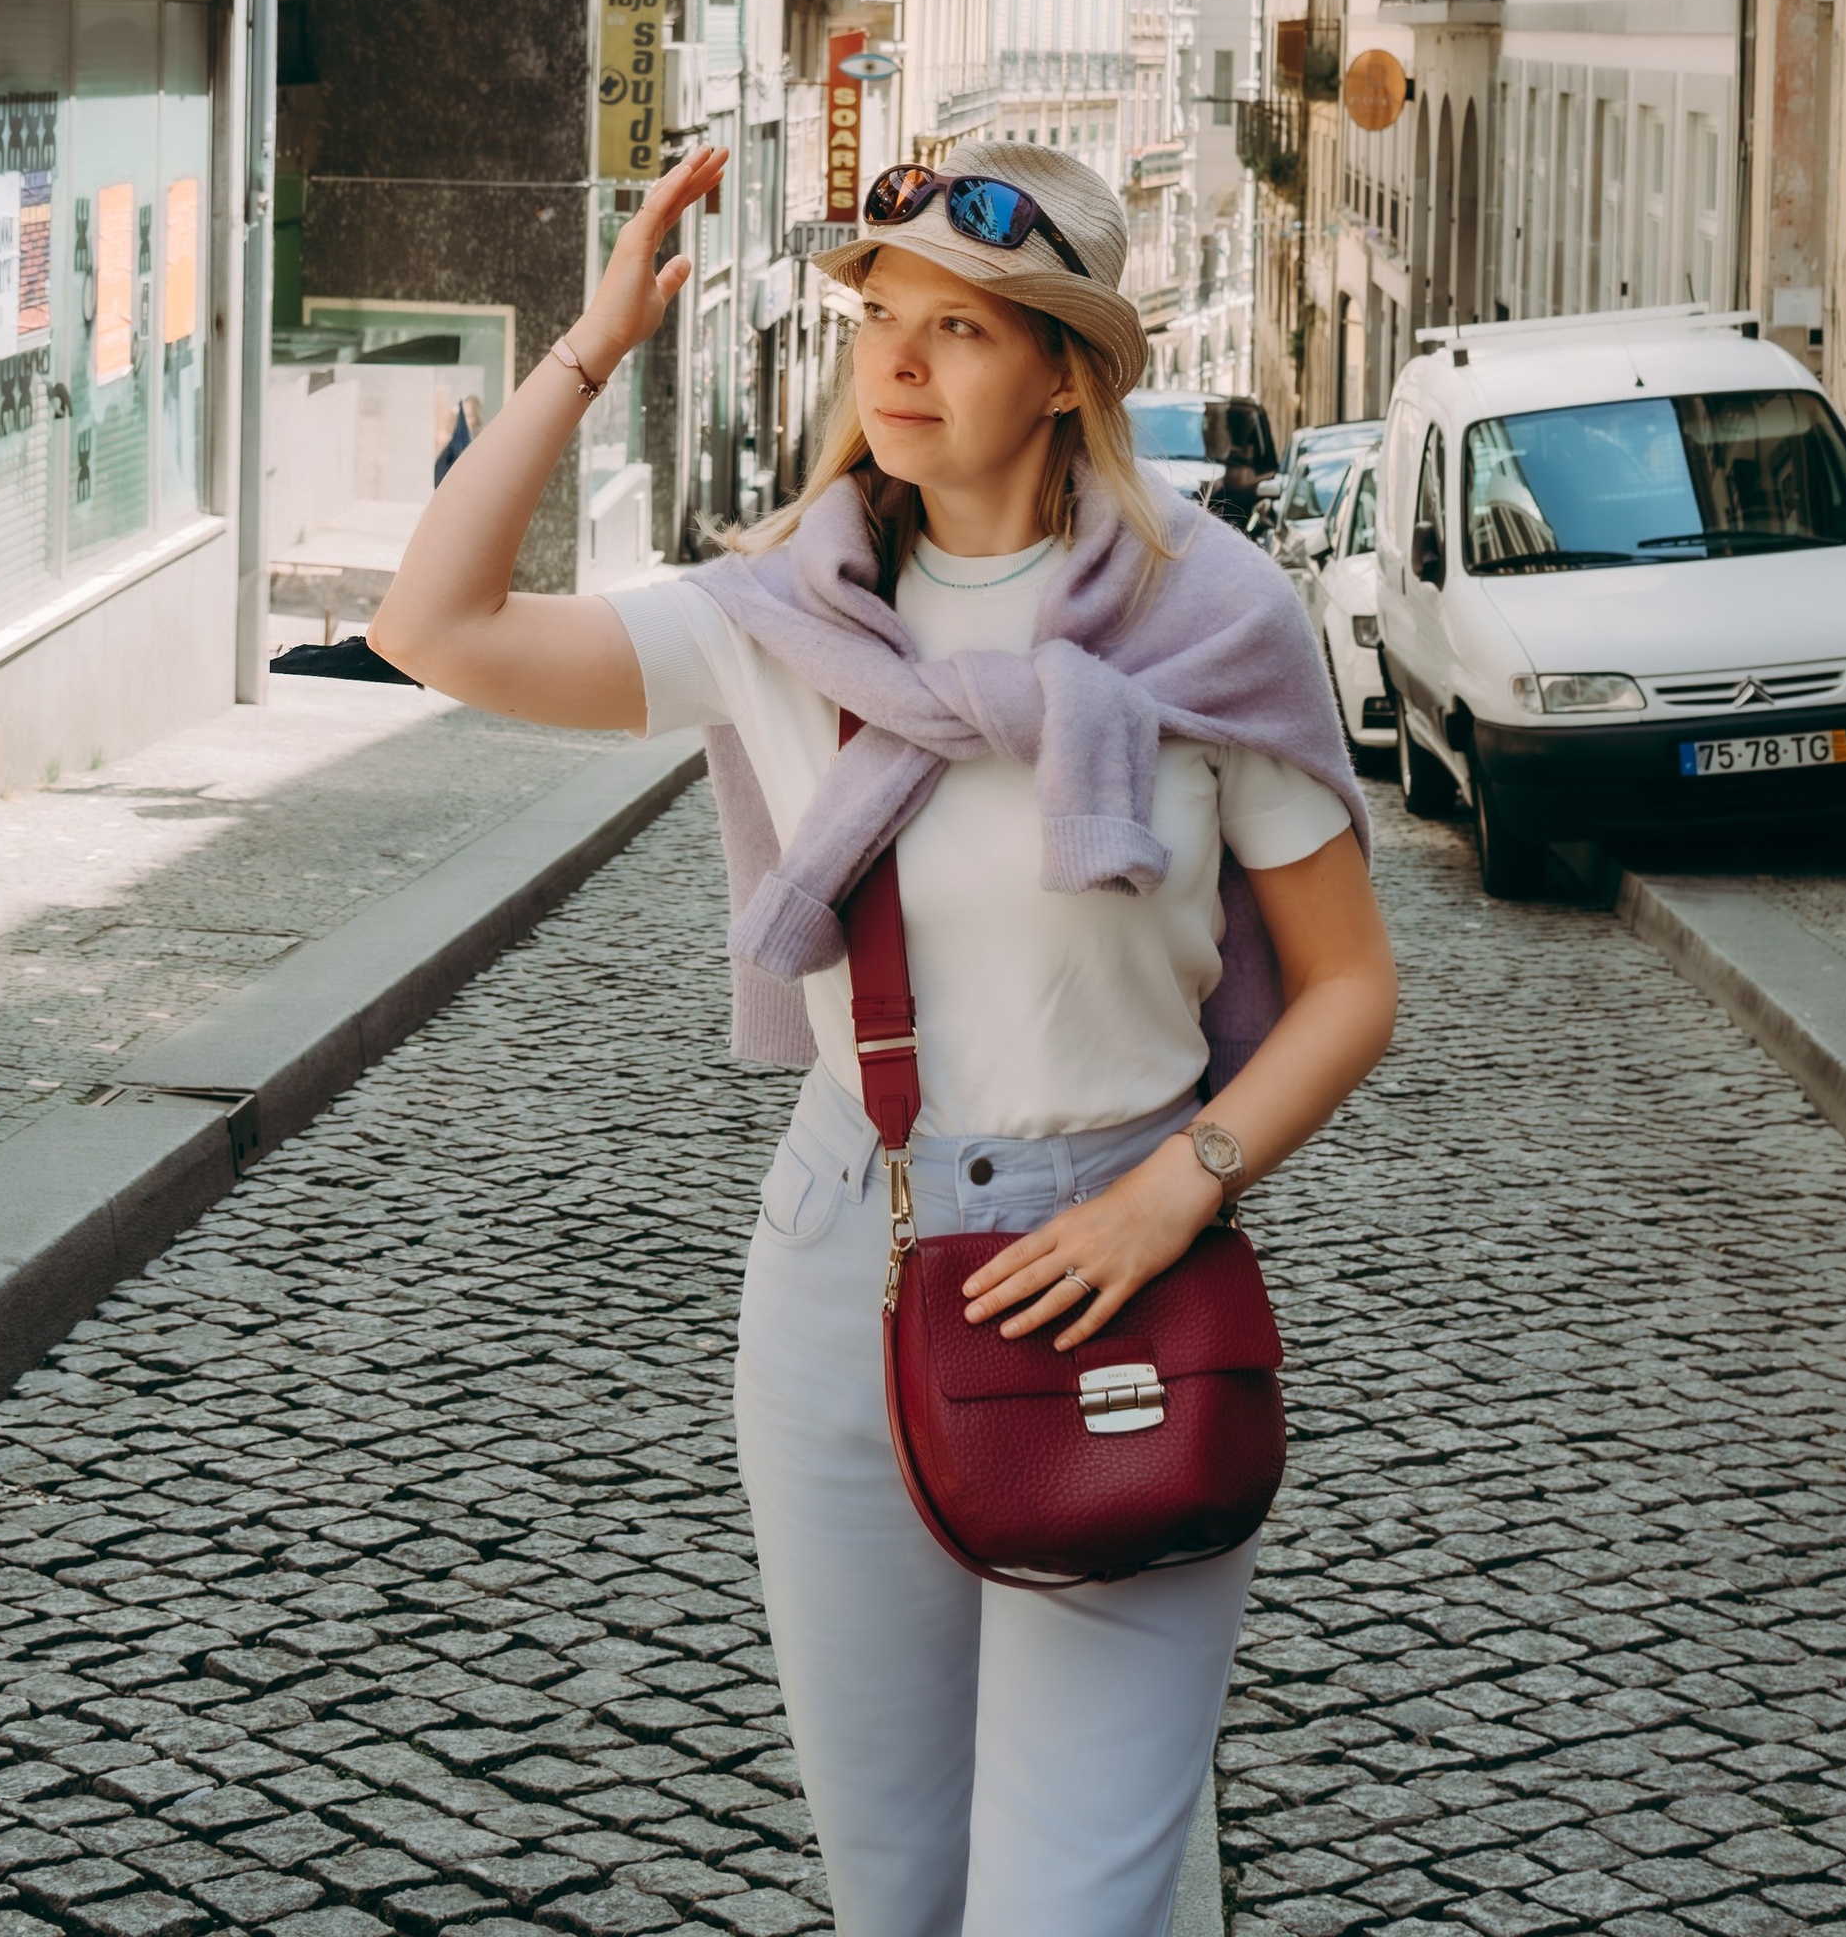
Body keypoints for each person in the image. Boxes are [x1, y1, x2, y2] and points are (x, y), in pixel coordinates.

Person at [373, 137, 1397, 1937]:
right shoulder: (783, 621)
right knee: (901, 1899)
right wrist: (592, 345)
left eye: (961, 330)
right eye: (879, 321)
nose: (899, 363)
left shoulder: (1214, 620)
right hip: (846, 1259)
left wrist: (1180, 1191)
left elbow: (1348, 989)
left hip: (1122, 1271)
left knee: (1064, 1911)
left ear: (1066, 373)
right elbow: (430, 627)